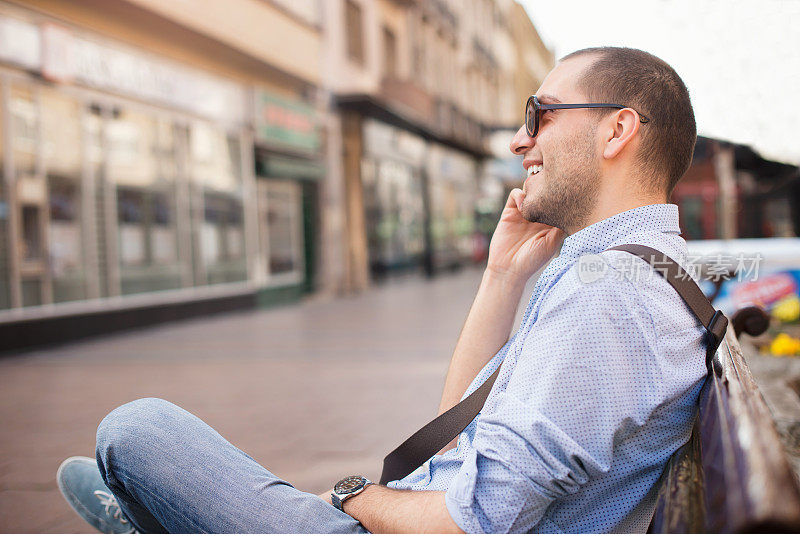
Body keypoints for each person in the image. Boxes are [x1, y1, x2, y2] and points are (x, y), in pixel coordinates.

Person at [56, 46, 707, 534]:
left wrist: (345, 496)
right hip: (421, 514)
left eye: (539, 114)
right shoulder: (631, 273)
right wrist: (503, 276)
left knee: (134, 429)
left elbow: (479, 518)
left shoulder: (608, 296)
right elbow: (460, 442)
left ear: (617, 130)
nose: (519, 141)